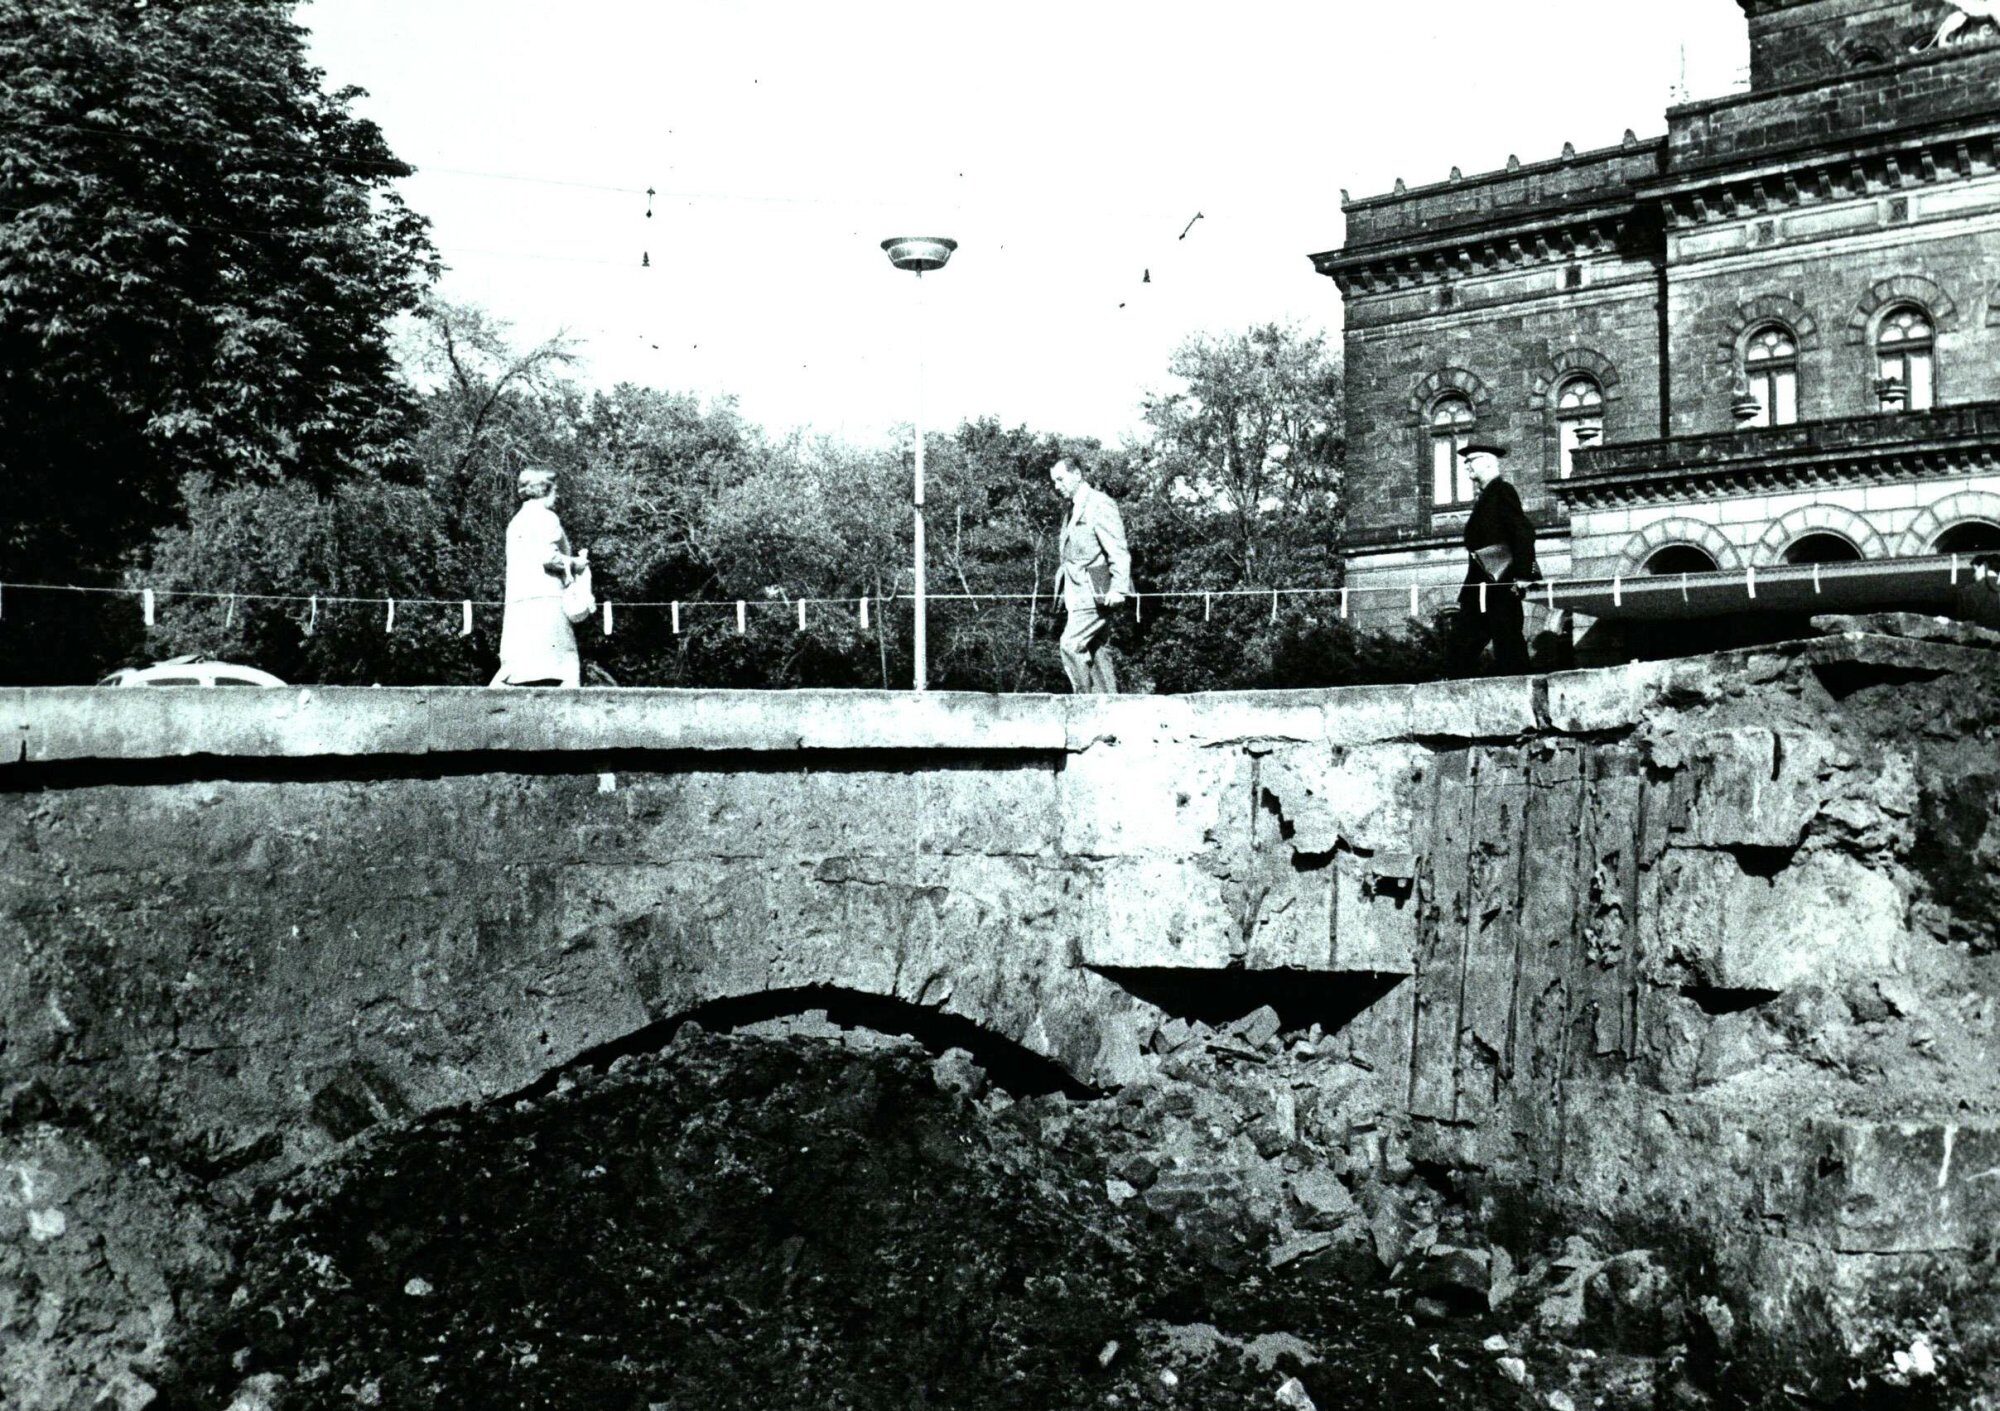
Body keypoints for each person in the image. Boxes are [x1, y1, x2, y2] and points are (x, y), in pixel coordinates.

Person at [1445, 440, 1538, 677]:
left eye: (1470, 461)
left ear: (1487, 462)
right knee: (1463, 643)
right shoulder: (1487, 496)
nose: (1466, 467)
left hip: (1500, 584)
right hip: (1481, 584)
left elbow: (1523, 531)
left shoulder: (1502, 491)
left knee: (1507, 642)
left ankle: (1520, 690)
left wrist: (1523, 575)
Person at [490, 466, 586, 688]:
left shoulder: (517, 521)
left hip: (520, 601)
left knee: (522, 663)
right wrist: (575, 563)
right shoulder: (546, 517)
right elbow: (549, 557)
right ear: (546, 490)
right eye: (555, 490)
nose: (557, 495)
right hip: (547, 599)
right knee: (561, 668)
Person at [1049, 456, 1132, 694]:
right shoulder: (1072, 508)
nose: (1057, 486)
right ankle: (1108, 718)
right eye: (1054, 481)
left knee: (1071, 645)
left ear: (1077, 475)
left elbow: (1117, 549)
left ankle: (1083, 708)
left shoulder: (1099, 504)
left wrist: (1118, 588)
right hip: (1077, 593)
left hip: (1097, 592)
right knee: (1095, 649)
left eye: (1061, 479)